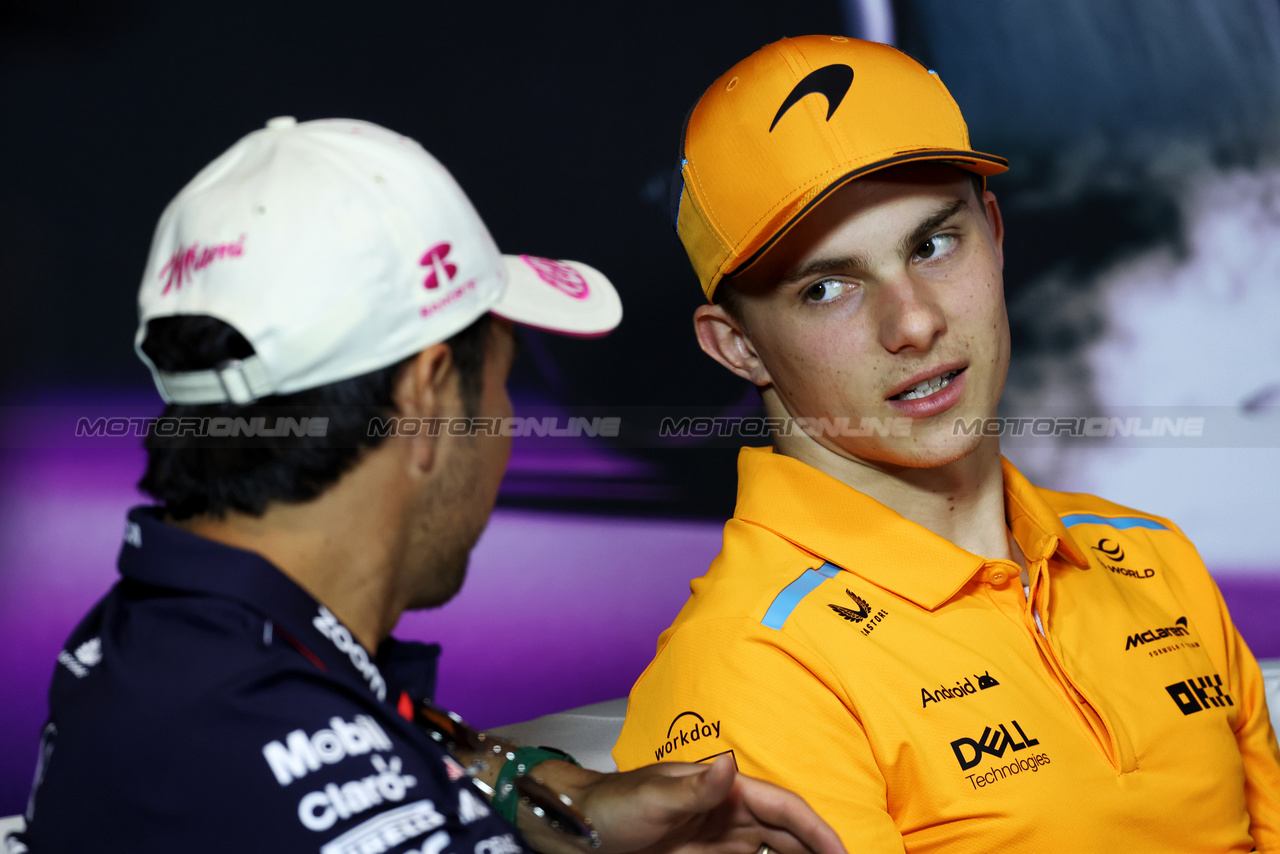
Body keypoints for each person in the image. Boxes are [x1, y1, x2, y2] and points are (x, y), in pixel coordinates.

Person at [14, 117, 847, 854]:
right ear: (424, 392)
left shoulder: (148, 641)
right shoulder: (286, 758)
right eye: (504, 384)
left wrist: (538, 792)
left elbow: (339, 726)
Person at [611, 35, 1280, 852]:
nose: (916, 322)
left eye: (932, 245)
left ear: (994, 235)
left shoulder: (1152, 555)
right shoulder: (751, 664)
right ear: (736, 346)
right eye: (827, 288)